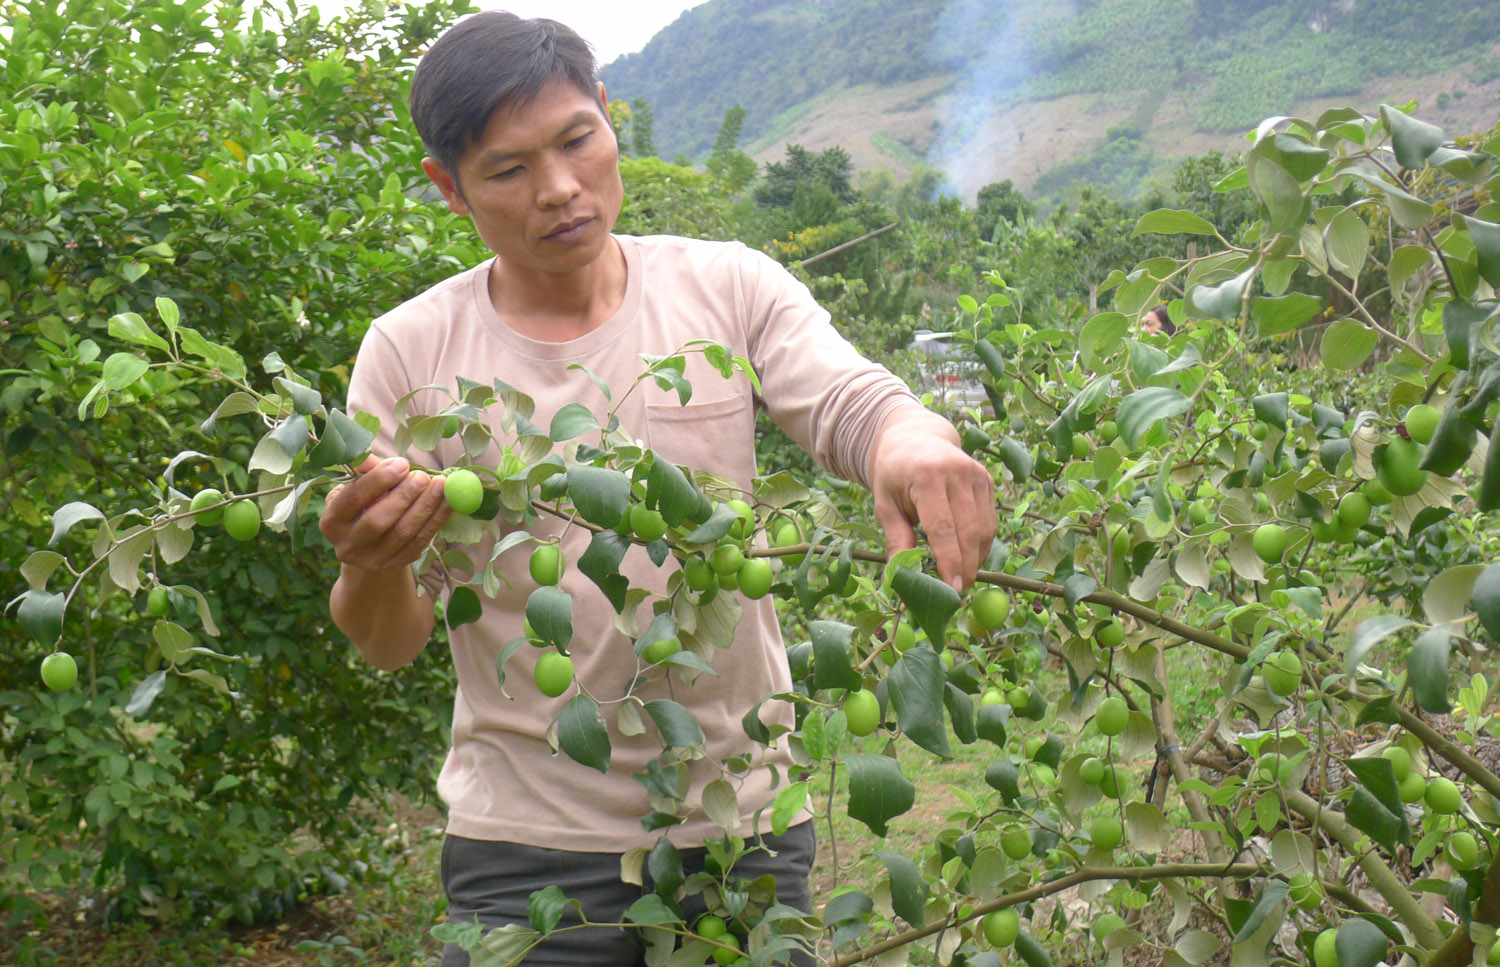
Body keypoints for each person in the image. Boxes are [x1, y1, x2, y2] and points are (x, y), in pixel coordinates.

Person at [316, 11, 996, 967]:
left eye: (576, 140)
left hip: (743, 831)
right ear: (449, 188)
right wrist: (369, 561)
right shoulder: (411, 352)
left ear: (609, 115)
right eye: (509, 171)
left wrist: (910, 438)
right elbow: (387, 641)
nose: (559, 190)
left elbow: (847, 395)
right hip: (526, 854)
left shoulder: (725, 288)